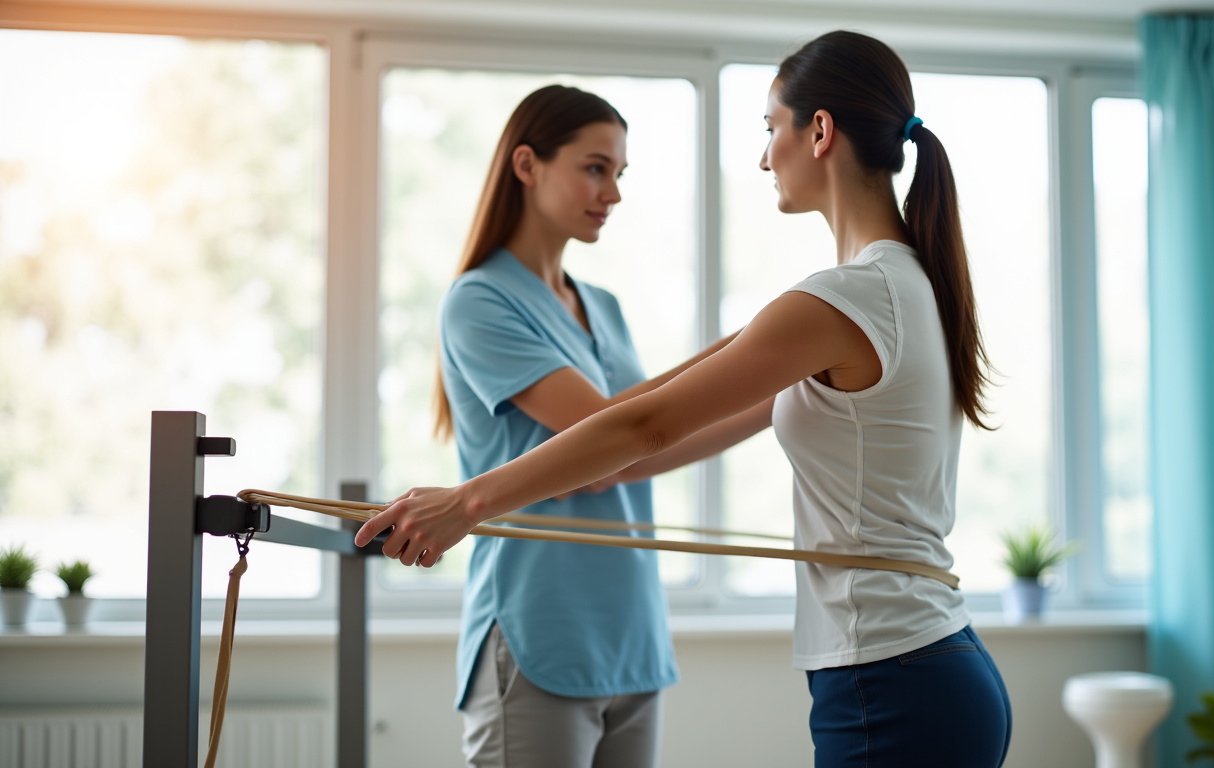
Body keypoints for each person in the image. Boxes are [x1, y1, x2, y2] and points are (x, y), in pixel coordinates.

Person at [365, 31, 1012, 768]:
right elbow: (657, 427)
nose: (766, 155)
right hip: (925, 662)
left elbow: (642, 427)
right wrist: (760, 338)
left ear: (821, 132)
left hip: (891, 672)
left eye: (772, 128)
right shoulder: (902, 285)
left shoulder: (847, 296)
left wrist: (468, 502)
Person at [427, 84, 743, 768]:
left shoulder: (604, 306)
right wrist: (758, 354)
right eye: (595, 168)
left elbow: (653, 437)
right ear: (527, 165)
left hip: (631, 635)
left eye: (619, 174)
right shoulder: (478, 300)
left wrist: (778, 387)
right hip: (540, 627)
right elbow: (617, 442)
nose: (613, 192)